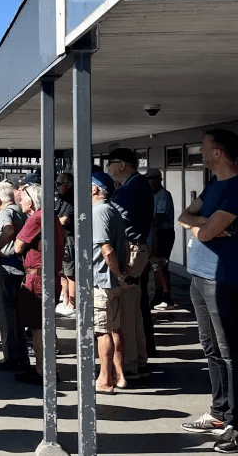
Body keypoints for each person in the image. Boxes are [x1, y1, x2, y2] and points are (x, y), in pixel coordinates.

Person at [178, 128, 238, 453]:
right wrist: (204, 224)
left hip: (222, 280)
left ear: (218, 152)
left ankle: (236, 426)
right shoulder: (214, 185)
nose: (201, 152)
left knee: (230, 351)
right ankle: (219, 413)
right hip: (198, 276)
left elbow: (204, 233)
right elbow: (185, 216)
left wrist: (201, 226)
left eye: (204, 148)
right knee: (211, 348)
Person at [106, 147, 154, 381]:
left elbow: (115, 219)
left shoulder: (130, 189)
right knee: (133, 310)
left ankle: (129, 365)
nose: (108, 168)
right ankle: (139, 360)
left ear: (122, 165)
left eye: (110, 163)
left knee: (125, 311)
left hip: (131, 250)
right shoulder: (136, 185)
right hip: (136, 248)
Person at [12, 184, 64, 384]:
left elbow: (18, 246)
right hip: (50, 276)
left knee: (38, 328)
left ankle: (44, 371)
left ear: (32, 201)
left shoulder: (37, 217)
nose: (20, 201)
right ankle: (45, 369)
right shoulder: (52, 217)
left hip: (38, 278)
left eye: (23, 197)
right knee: (44, 326)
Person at [91, 171, 128, 395]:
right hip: (110, 281)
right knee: (114, 329)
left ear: (94, 189)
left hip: (101, 281)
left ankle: (105, 380)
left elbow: (107, 249)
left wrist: (118, 275)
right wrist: (121, 274)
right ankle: (119, 375)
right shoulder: (113, 210)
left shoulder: (98, 212)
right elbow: (123, 246)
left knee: (102, 331)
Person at [0, 180, 29, 372]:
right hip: (19, 266)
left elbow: (8, 229)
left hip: (7, 266)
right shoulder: (20, 210)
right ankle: (19, 355)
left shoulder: (6, 212)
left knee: (5, 313)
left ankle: (11, 356)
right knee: (16, 314)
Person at [147, 168, 176, 309]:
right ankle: (158, 295)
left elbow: (158, 218)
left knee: (161, 265)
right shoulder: (151, 195)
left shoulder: (164, 195)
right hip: (154, 233)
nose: (149, 182)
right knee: (155, 266)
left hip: (163, 234)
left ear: (158, 179)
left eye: (151, 179)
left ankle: (167, 297)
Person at [54, 173, 77, 319]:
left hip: (69, 239)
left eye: (59, 184)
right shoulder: (60, 199)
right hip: (61, 238)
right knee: (62, 272)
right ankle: (66, 300)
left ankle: (72, 305)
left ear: (67, 185)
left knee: (70, 273)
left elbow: (64, 220)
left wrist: (53, 221)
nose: (56, 187)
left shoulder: (72, 199)